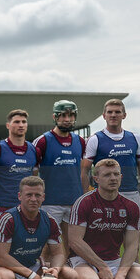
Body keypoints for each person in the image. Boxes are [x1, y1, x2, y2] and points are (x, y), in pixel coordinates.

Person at [82, 99, 140, 279]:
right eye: (109, 112)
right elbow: (85, 169)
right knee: (98, 240)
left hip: (130, 195)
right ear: (104, 115)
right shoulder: (96, 139)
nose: (113, 115)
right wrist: (86, 195)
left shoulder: (135, 138)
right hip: (102, 198)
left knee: (133, 244)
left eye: (117, 111)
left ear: (124, 115)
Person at [33, 100, 86, 258]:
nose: (67, 119)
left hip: (74, 202)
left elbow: (83, 172)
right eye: (63, 115)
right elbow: (32, 175)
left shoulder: (80, 141)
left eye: (71, 115)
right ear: (55, 117)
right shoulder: (42, 141)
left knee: (74, 246)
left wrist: (83, 197)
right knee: (47, 247)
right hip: (50, 203)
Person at [0, 109, 38, 239]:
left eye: (24, 122)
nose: (21, 125)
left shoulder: (34, 150)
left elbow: (35, 181)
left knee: (25, 249)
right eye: (17, 122)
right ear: (8, 125)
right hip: (2, 209)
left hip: (27, 211)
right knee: (0, 252)